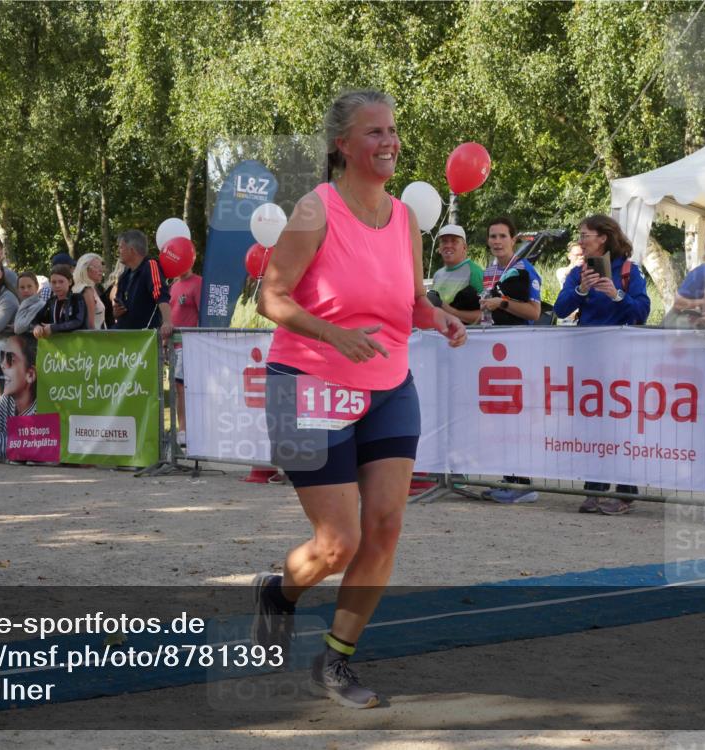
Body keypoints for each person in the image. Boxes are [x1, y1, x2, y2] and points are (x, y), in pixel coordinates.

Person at [254, 90, 466, 709]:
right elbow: (273, 297)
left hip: (389, 388)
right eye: (373, 132)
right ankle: (279, 592)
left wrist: (439, 318)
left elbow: (410, 301)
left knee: (386, 527)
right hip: (305, 388)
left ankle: (337, 661)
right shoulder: (315, 211)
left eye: (393, 130)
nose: (388, 142)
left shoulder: (404, 219)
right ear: (341, 145)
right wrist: (332, 334)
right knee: (337, 543)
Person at [553, 214, 651, 515]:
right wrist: (582, 289)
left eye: (585, 234)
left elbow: (642, 311)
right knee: (591, 424)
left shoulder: (628, 271)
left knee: (621, 425)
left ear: (603, 238)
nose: (581, 241)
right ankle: (594, 488)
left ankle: (625, 493)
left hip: (621, 363)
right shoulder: (578, 272)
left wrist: (616, 294)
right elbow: (560, 308)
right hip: (588, 360)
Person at [479, 217, 542, 504]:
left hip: (520, 351)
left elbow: (534, 313)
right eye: (492, 236)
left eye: (502, 236)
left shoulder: (524, 269)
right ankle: (509, 478)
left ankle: (525, 483)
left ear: (513, 239)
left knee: (519, 416)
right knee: (502, 417)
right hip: (495, 351)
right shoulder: (489, 270)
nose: (496, 241)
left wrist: (502, 303)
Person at [112, 230, 173, 338]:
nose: (118, 251)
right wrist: (116, 312)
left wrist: (167, 322)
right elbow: (118, 306)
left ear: (132, 250)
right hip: (124, 339)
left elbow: (161, 294)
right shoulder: (124, 275)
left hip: (144, 340)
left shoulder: (151, 266)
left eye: (121, 247)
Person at [169, 266, 202, 445]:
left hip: (188, 344)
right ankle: (181, 428)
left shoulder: (198, 283)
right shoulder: (174, 285)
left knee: (182, 387)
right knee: (177, 387)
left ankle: (184, 429)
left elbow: (202, 315)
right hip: (174, 345)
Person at [427, 224, 483, 325]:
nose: (448, 245)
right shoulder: (438, 275)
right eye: (444, 241)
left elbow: (485, 315)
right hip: (439, 336)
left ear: (464, 247)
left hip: (466, 338)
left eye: (454, 241)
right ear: (439, 247)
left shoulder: (474, 272)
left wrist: (450, 311)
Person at [31, 264, 87, 339]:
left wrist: (54, 328)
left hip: (76, 344)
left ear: (70, 282)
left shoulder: (77, 299)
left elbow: (78, 322)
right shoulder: (51, 301)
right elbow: (36, 319)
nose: (57, 285)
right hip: (56, 346)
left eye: (61, 282)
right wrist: (37, 326)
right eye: (54, 282)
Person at [73, 253, 108, 330]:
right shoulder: (87, 290)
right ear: (85, 269)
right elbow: (90, 325)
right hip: (95, 339)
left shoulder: (84, 288)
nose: (101, 270)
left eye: (101, 267)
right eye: (97, 267)